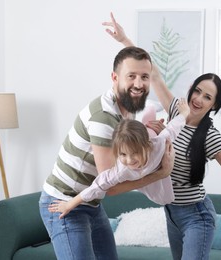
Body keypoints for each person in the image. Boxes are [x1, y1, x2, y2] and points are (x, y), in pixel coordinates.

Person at [103, 12, 221, 260]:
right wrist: (124, 40)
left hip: (197, 215)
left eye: (208, 97)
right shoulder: (174, 111)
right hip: (171, 213)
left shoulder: (210, 136)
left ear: (213, 105)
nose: (199, 99)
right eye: (198, 91)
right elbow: (154, 73)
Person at [39, 45, 175, 260]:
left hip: (91, 203)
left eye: (144, 77)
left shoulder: (127, 109)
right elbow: (110, 185)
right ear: (115, 77)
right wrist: (160, 173)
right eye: (131, 76)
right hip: (65, 203)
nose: (139, 84)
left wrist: (150, 135)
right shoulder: (104, 119)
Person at [48, 98, 190, 219]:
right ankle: (149, 109)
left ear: (147, 146)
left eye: (134, 153)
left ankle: (150, 107)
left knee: (150, 127)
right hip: (145, 165)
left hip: (149, 138)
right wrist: (69, 204)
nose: (129, 160)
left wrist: (185, 112)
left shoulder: (159, 144)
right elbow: (96, 187)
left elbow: (174, 127)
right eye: (123, 155)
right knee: (162, 197)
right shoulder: (119, 171)